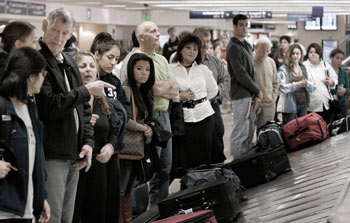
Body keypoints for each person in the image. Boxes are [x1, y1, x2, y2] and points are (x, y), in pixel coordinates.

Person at [35, 8, 114, 223]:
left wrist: (88, 142)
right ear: (44, 26)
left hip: (75, 153)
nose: (58, 38)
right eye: (54, 30)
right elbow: (50, 106)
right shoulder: (38, 61)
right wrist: (86, 91)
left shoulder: (68, 62)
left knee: (67, 217)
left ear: (71, 34)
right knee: (52, 217)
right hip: (53, 153)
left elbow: (84, 110)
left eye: (64, 33)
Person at [120, 21, 179, 207]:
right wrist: (162, 87)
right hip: (145, 118)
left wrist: (163, 87)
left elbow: (174, 89)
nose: (157, 33)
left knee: (164, 168)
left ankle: (158, 209)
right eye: (152, 31)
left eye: (157, 30)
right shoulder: (134, 59)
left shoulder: (161, 59)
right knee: (144, 169)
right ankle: (138, 213)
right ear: (141, 37)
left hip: (164, 116)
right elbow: (153, 89)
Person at [0, 47, 50, 223]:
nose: (44, 79)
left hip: (27, 209)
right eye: (42, 73)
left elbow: (35, 158)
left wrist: (41, 197)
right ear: (31, 76)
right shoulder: (3, 107)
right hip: (5, 209)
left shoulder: (30, 107)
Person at [72, 51, 119, 223]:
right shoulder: (71, 98)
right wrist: (85, 125)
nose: (88, 70)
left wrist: (110, 147)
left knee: (96, 213)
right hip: (76, 164)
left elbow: (113, 132)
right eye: (82, 66)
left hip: (99, 165)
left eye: (92, 66)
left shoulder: (102, 100)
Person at [89, 32, 131, 221]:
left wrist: (114, 142)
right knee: (96, 200)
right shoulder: (90, 80)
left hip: (113, 144)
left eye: (116, 58)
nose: (114, 62)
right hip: (94, 145)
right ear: (97, 54)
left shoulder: (114, 81)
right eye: (110, 57)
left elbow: (124, 110)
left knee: (111, 198)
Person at [170, 34, 218, 172]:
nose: (192, 52)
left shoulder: (202, 69)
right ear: (181, 50)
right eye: (188, 48)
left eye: (195, 49)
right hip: (183, 118)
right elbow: (165, 93)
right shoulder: (171, 69)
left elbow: (213, 91)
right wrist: (179, 97)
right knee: (186, 158)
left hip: (204, 116)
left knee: (205, 156)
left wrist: (200, 100)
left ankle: (206, 183)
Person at [120, 53, 155, 222]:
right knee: (122, 188)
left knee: (127, 188)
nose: (144, 72)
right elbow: (124, 119)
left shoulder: (142, 91)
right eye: (139, 68)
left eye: (148, 69)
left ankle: (128, 219)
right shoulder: (127, 89)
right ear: (131, 69)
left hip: (137, 146)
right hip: (126, 146)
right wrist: (144, 128)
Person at [226, 14, 263, 159]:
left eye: (246, 24)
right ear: (234, 26)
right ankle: (236, 164)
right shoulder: (233, 47)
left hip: (250, 94)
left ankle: (245, 161)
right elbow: (241, 75)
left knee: (248, 131)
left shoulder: (246, 44)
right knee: (239, 132)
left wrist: (255, 91)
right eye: (241, 24)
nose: (244, 27)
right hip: (241, 95)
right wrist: (258, 90)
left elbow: (251, 71)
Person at [193, 27, 229, 162]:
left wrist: (218, 91)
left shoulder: (214, 61)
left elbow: (225, 79)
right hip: (194, 108)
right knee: (200, 142)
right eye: (202, 41)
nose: (205, 45)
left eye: (207, 41)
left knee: (218, 134)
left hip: (213, 105)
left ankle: (219, 169)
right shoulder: (187, 61)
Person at [277, 43, 315, 123]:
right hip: (289, 105)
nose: (295, 56)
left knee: (302, 129)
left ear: (301, 55)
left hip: (303, 103)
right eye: (293, 53)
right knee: (290, 130)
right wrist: (298, 84)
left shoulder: (305, 68)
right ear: (289, 55)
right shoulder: (283, 69)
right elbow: (281, 87)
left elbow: (313, 87)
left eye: (297, 53)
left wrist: (307, 84)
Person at [303, 43, 338, 124]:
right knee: (313, 129)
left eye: (315, 52)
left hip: (326, 103)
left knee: (326, 127)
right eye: (311, 52)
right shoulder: (304, 66)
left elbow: (335, 78)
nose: (313, 54)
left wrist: (332, 81)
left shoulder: (325, 65)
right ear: (308, 54)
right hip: (311, 105)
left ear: (320, 54)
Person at [253, 36, 278, 128]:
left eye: (267, 51)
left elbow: (275, 82)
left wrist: (273, 98)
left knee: (265, 132)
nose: (265, 53)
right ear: (255, 48)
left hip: (269, 104)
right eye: (262, 50)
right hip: (253, 104)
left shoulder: (271, 62)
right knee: (248, 134)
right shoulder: (250, 61)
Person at [330, 48, 349, 118]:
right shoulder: (327, 70)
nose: (339, 61)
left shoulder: (344, 72)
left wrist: (345, 90)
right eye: (337, 58)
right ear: (332, 58)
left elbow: (348, 88)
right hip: (330, 103)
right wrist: (336, 91)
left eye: (341, 59)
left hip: (342, 103)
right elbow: (324, 89)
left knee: (344, 125)